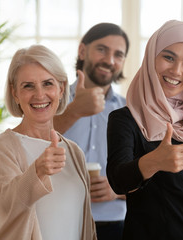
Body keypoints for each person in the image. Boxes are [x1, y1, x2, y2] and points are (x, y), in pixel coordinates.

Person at [106, 20, 183, 240]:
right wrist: (154, 161)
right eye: (168, 57)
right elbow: (118, 181)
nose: (176, 71)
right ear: (151, 58)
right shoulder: (125, 120)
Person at [0, 44, 96, 240]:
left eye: (48, 84)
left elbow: (86, 225)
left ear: (61, 89)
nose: (40, 95)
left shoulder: (74, 152)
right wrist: (37, 171)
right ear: (15, 93)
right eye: (28, 86)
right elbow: (6, 205)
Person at [53, 23, 129, 240]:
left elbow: (149, 175)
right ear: (82, 51)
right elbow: (31, 145)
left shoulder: (130, 111)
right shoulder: (53, 102)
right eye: (102, 49)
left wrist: (117, 190)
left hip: (115, 227)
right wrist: (74, 111)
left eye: (118, 54)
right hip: (59, 221)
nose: (110, 60)